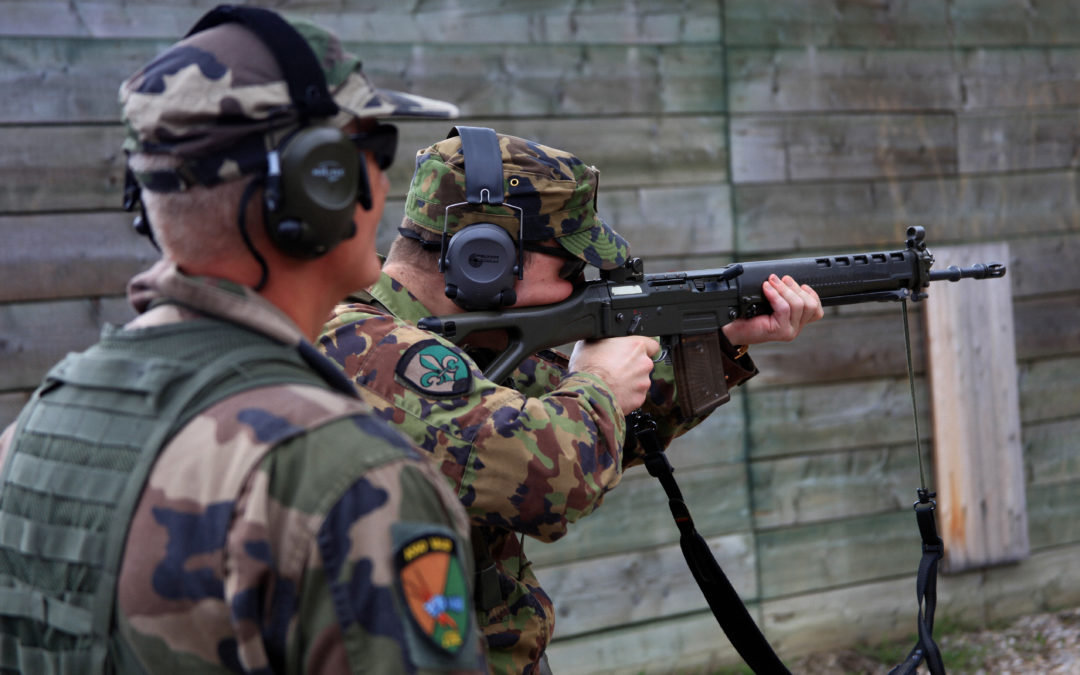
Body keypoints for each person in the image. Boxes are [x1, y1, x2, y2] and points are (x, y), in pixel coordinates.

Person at [0, 7, 487, 674]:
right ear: (322, 181)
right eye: (374, 149)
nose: (384, 181)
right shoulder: (349, 481)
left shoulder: (29, 432)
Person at [317, 131, 823, 673]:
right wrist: (600, 380)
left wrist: (722, 340)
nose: (581, 286)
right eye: (570, 269)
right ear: (484, 256)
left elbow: (602, 432)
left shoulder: (454, 346)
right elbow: (551, 477)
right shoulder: (363, 348)